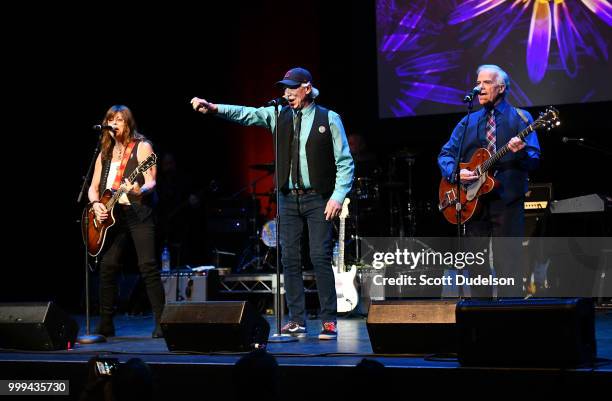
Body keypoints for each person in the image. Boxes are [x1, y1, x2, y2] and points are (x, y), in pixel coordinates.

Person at [191, 67, 354, 339]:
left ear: (307, 87)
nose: (286, 93)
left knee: (319, 257)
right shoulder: (278, 115)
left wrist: (337, 196)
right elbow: (246, 113)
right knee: (289, 258)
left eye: (292, 87)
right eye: (284, 88)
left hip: (319, 199)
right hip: (287, 198)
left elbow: (345, 162)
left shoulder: (330, 118)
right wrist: (215, 108)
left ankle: (328, 320)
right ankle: (297, 320)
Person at [438, 64, 541, 297]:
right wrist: (456, 173)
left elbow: (534, 159)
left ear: (501, 87)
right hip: (474, 203)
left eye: (485, 83)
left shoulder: (520, 118)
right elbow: (445, 154)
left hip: (507, 200)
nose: (479, 87)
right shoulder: (468, 121)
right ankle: (480, 317)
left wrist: (520, 152)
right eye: (477, 82)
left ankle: (510, 317)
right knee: (476, 265)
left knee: (508, 264)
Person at [88, 105, 165, 338]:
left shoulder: (142, 147)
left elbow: (152, 179)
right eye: (110, 119)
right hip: (113, 216)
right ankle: (105, 323)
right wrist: (96, 205)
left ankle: (162, 323)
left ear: (128, 123)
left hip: (138, 210)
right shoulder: (104, 152)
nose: (114, 124)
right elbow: (93, 188)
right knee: (108, 266)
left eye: (119, 120)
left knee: (147, 265)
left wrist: (140, 188)